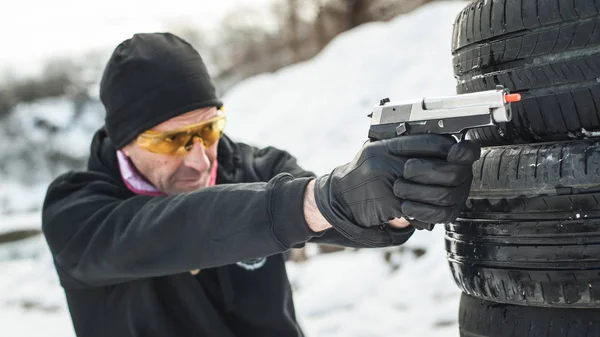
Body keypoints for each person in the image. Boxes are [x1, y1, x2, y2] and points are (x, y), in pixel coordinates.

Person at [41, 32, 480, 337]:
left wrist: (396, 200)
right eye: (172, 140)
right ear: (124, 141)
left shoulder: (258, 168)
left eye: (208, 130)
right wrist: (314, 201)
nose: (198, 158)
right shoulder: (76, 211)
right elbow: (177, 227)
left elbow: (342, 216)